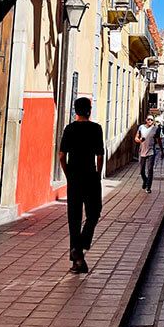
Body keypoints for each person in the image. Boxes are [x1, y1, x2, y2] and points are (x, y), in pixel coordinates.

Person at [58, 96, 104, 274]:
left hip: (74, 177)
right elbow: (100, 155)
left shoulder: (69, 129)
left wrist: (68, 173)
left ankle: (77, 258)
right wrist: (98, 175)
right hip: (90, 175)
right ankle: (82, 246)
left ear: (76, 111)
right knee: (94, 212)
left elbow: (62, 155)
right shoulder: (96, 129)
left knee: (74, 218)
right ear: (89, 110)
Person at [135, 115, 163, 193]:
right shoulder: (141, 127)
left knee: (150, 169)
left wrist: (162, 150)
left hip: (151, 152)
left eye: (151, 119)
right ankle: (145, 180)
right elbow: (136, 138)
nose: (150, 121)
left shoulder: (156, 129)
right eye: (148, 119)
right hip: (142, 151)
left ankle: (148, 187)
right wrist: (139, 140)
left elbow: (158, 140)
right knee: (141, 170)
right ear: (146, 120)